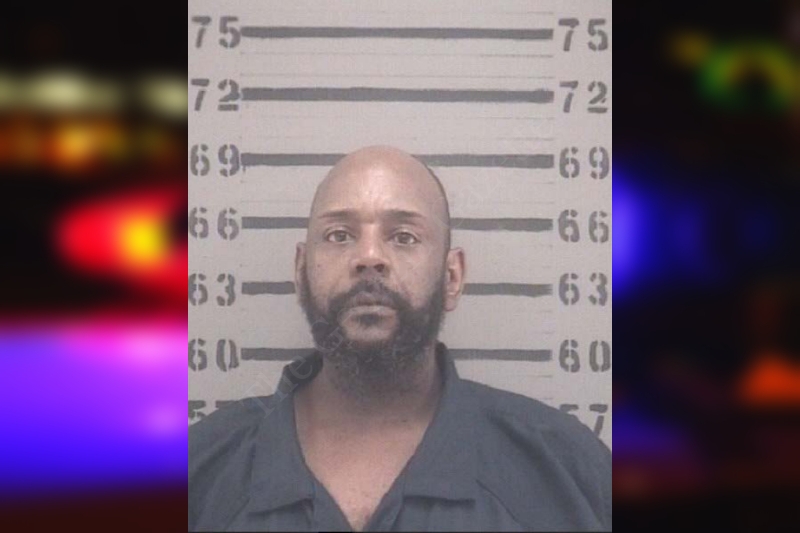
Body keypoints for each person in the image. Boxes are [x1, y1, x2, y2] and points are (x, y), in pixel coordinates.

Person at [188, 146, 612, 531]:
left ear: (452, 277)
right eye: (339, 235)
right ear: (300, 272)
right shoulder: (200, 470)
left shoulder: (568, 471)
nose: (369, 257)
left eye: (404, 237)